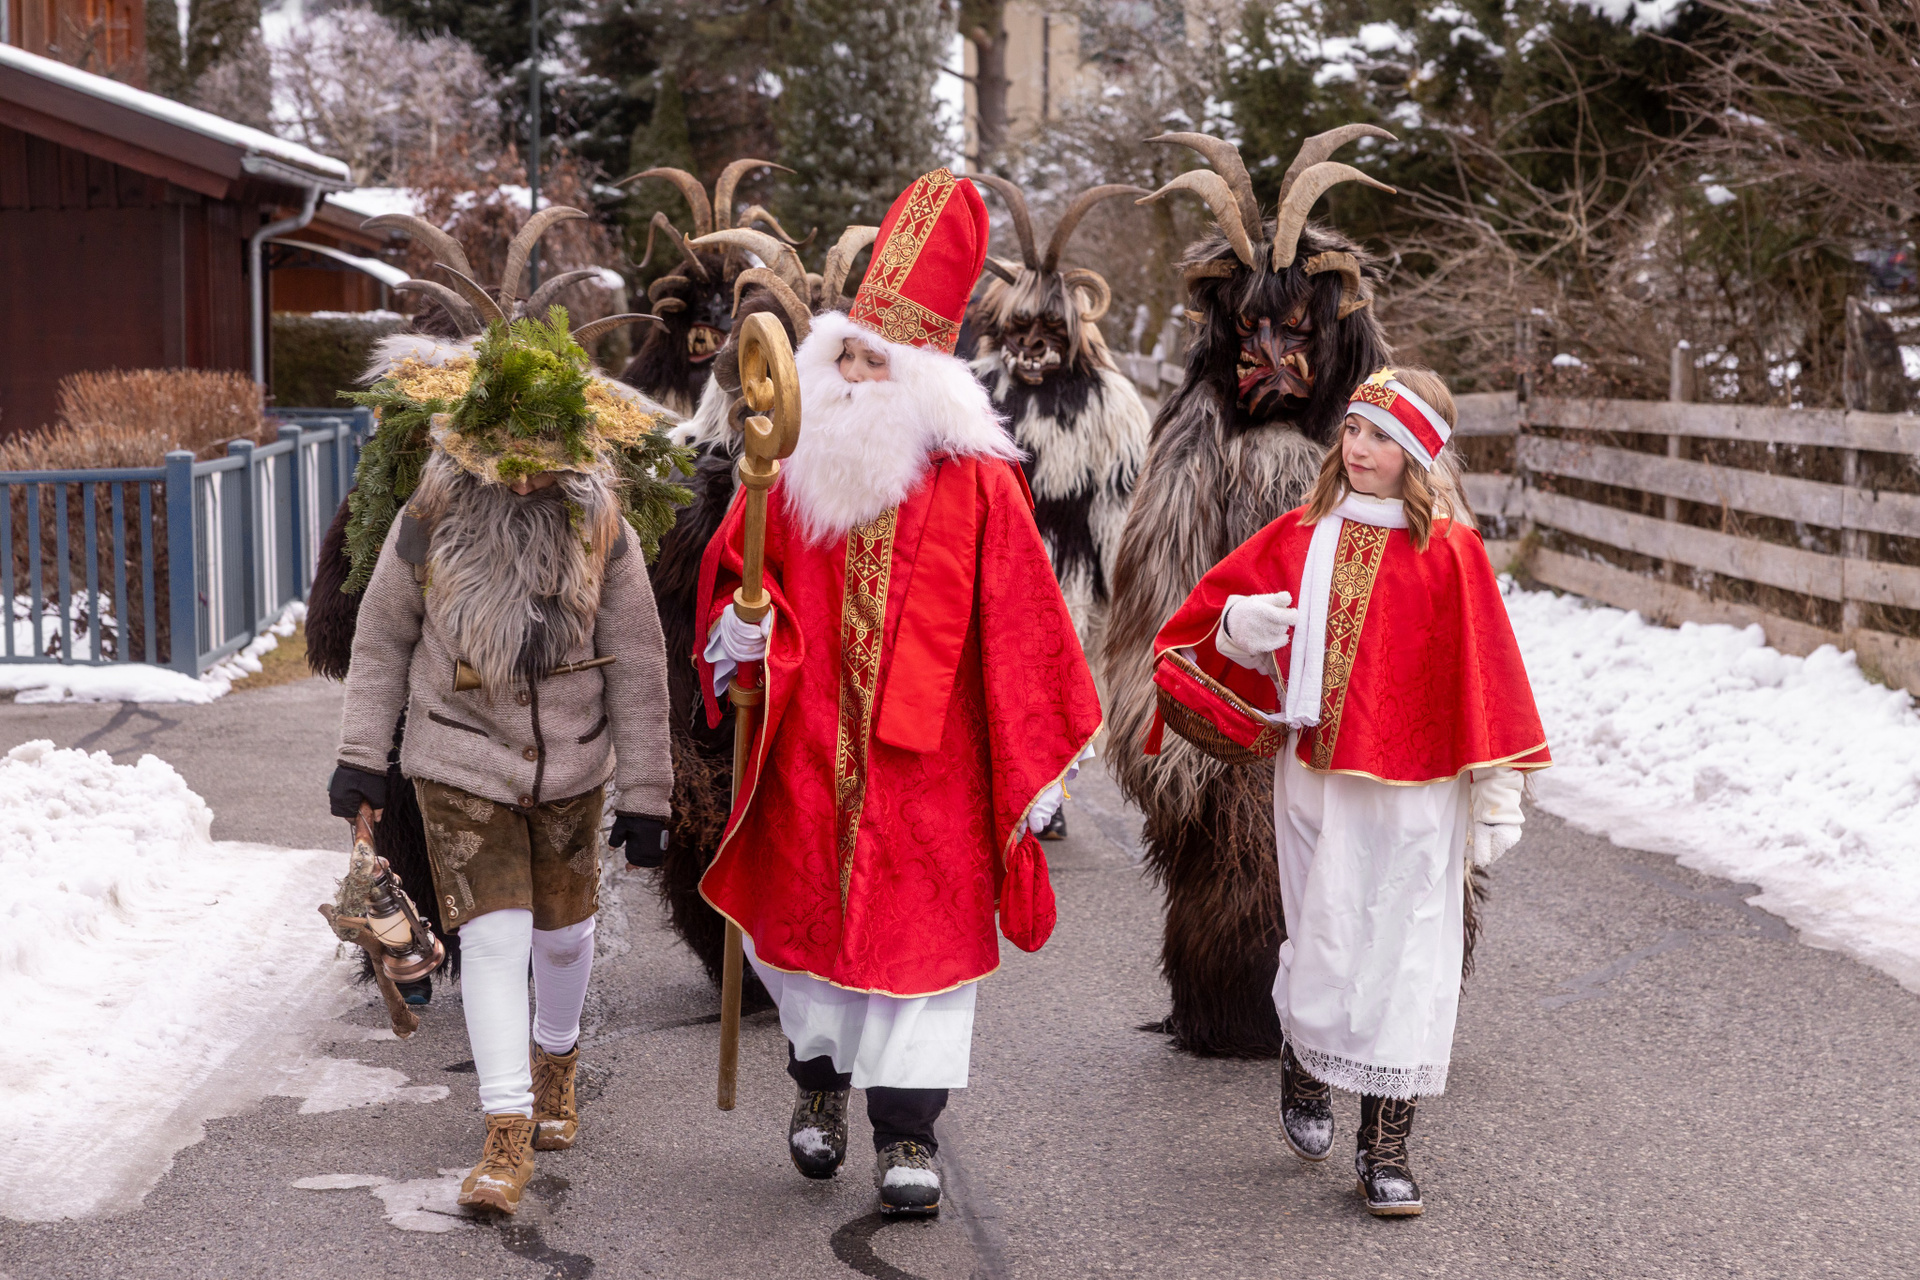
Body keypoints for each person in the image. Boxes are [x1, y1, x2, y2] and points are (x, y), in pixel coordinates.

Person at [694, 167, 1102, 1218]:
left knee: (919, 951)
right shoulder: (788, 466)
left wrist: (1029, 760)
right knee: (806, 936)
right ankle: (818, 1087)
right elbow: (743, 571)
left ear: (923, 375)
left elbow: (1025, 627)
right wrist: (741, 629)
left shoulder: (979, 483)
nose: (856, 373)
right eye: (846, 354)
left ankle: (908, 1130)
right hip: (807, 740)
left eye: (878, 359)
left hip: (934, 771)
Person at [1148, 367, 1550, 1216]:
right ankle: (1304, 1056)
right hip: (1316, 779)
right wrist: (1239, 629)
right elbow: (1198, 624)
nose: (1359, 448)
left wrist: (1497, 791)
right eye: (1355, 430)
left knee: (1410, 954)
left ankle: (1386, 1145)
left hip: (1422, 793)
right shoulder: (1301, 535)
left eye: (1383, 438)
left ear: (1418, 456)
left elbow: (1488, 677)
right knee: (1326, 940)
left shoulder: (1453, 553)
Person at [328, 316, 674, 1215]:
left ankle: (557, 1061)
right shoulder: (427, 517)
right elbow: (382, 637)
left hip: (572, 767)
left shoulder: (605, 527)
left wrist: (647, 794)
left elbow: (640, 662)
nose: (521, 478)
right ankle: (505, 1131)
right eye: (503, 460)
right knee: (492, 937)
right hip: (458, 758)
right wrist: (362, 757)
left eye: (540, 461)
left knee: (563, 937)